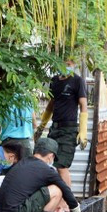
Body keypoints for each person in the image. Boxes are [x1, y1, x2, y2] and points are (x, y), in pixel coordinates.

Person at [0, 137, 84, 212]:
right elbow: (66, 191)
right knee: (56, 191)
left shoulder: (22, 163)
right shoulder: (45, 170)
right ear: (51, 156)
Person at [36, 58, 87, 195]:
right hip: (55, 128)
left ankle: (67, 203)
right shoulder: (55, 81)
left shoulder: (77, 81)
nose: (65, 66)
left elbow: (83, 105)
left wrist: (83, 131)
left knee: (62, 166)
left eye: (69, 64)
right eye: (63, 63)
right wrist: (41, 126)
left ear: (74, 64)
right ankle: (56, 199)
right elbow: (51, 105)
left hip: (69, 129)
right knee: (49, 163)